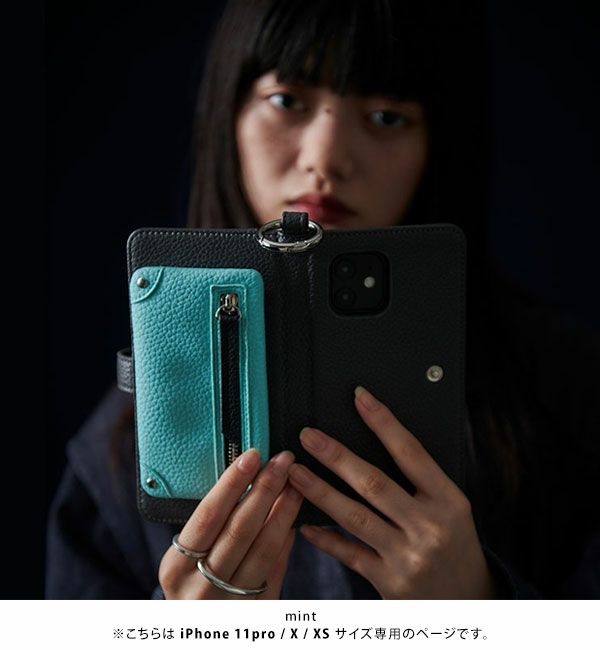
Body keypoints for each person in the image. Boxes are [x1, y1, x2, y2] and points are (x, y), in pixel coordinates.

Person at [46, 0, 600, 599]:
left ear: (440, 142)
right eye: (287, 100)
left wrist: (483, 609)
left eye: (386, 116)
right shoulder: (118, 451)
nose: (326, 158)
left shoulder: (569, 391)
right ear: (228, 112)